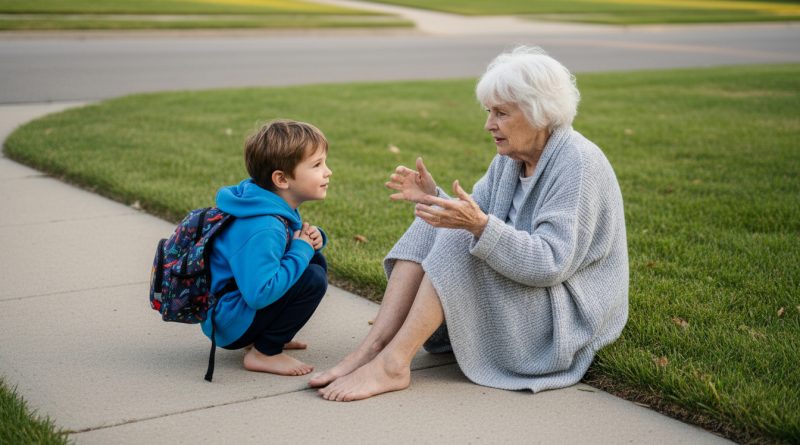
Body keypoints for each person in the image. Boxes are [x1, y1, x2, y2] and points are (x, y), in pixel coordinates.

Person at [310, 46, 628, 401]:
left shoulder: (578, 164)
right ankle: (373, 347)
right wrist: (435, 197)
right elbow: (475, 217)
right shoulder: (510, 161)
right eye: (489, 112)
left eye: (501, 113)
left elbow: (550, 264)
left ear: (540, 113)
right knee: (436, 221)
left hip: (562, 321)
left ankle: (394, 363)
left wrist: (475, 226)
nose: (489, 124)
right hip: (528, 292)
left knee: (461, 233)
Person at [202, 119, 332, 376]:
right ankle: (265, 351)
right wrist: (301, 249)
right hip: (229, 323)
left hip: (232, 311)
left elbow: (278, 251)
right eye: (317, 165)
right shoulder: (263, 227)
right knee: (313, 277)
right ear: (282, 179)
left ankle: (269, 335)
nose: (328, 171)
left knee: (314, 261)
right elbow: (259, 293)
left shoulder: (264, 204)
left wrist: (312, 240)